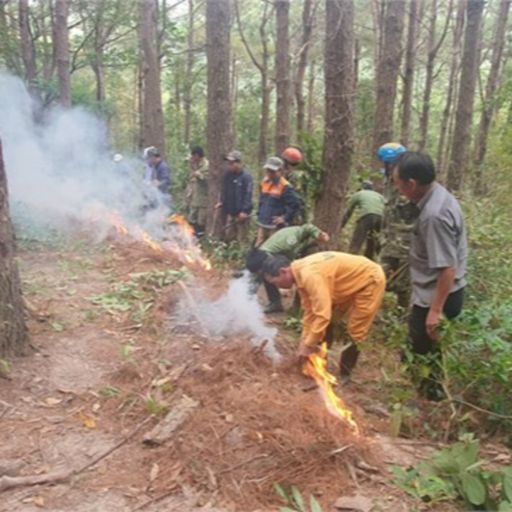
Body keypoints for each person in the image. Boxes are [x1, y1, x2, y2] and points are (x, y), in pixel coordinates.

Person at [392, 152, 467, 401]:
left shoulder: (434, 216)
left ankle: (427, 402)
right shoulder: (437, 194)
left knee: (421, 350)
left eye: (398, 182)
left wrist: (435, 311)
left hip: (439, 295)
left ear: (411, 183)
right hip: (434, 292)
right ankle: (432, 397)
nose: (397, 188)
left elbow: (447, 268)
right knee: (427, 349)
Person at [262, 252, 386, 382]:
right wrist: (304, 340)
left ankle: (345, 373)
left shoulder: (310, 275)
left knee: (356, 330)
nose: (277, 287)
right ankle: (319, 364)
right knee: (326, 323)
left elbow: (322, 314)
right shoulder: (299, 273)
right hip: (344, 284)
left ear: (283, 271)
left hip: (369, 280)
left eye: (275, 283)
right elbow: (310, 312)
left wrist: (308, 344)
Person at [246, 223, 330, 313]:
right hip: (277, 255)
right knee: (268, 277)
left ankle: (300, 307)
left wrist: (318, 234)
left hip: (284, 254)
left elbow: (307, 227)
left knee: (274, 277)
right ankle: (274, 303)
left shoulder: (290, 239)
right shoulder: (266, 253)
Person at [378, 142, 418, 308]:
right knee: (379, 276)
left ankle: (403, 317)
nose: (387, 167)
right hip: (388, 241)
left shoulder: (412, 183)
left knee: (404, 285)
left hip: (406, 245)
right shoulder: (389, 181)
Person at [256, 156, 300, 246]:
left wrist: (284, 218)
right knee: (259, 245)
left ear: (280, 171)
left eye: (272, 171)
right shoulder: (264, 182)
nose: (269, 173)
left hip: (275, 226)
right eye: (268, 170)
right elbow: (262, 200)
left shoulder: (285, 186)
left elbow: (295, 204)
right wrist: (259, 213)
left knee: (273, 247)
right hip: (263, 222)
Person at [342, 180, 385, 260]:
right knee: (373, 241)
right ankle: (371, 260)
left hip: (367, 216)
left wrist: (342, 225)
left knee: (357, 240)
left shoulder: (359, 194)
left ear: (362, 187)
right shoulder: (379, 196)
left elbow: (348, 211)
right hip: (381, 217)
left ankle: (351, 258)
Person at [216, 150, 253, 243]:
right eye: (229, 163)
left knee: (242, 240)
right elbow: (224, 190)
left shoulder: (246, 177)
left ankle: (242, 256)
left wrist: (245, 211)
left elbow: (248, 195)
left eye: (232, 163)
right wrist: (221, 201)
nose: (229, 165)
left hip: (241, 214)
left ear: (238, 163)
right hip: (230, 212)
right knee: (229, 238)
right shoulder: (227, 175)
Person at [188, 145, 209, 236]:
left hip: (203, 199)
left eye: (193, 156)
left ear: (197, 155)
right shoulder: (194, 163)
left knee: (201, 220)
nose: (192, 158)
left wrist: (199, 175)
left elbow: (209, 180)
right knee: (192, 218)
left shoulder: (206, 165)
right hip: (194, 197)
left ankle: (199, 239)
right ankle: (190, 237)